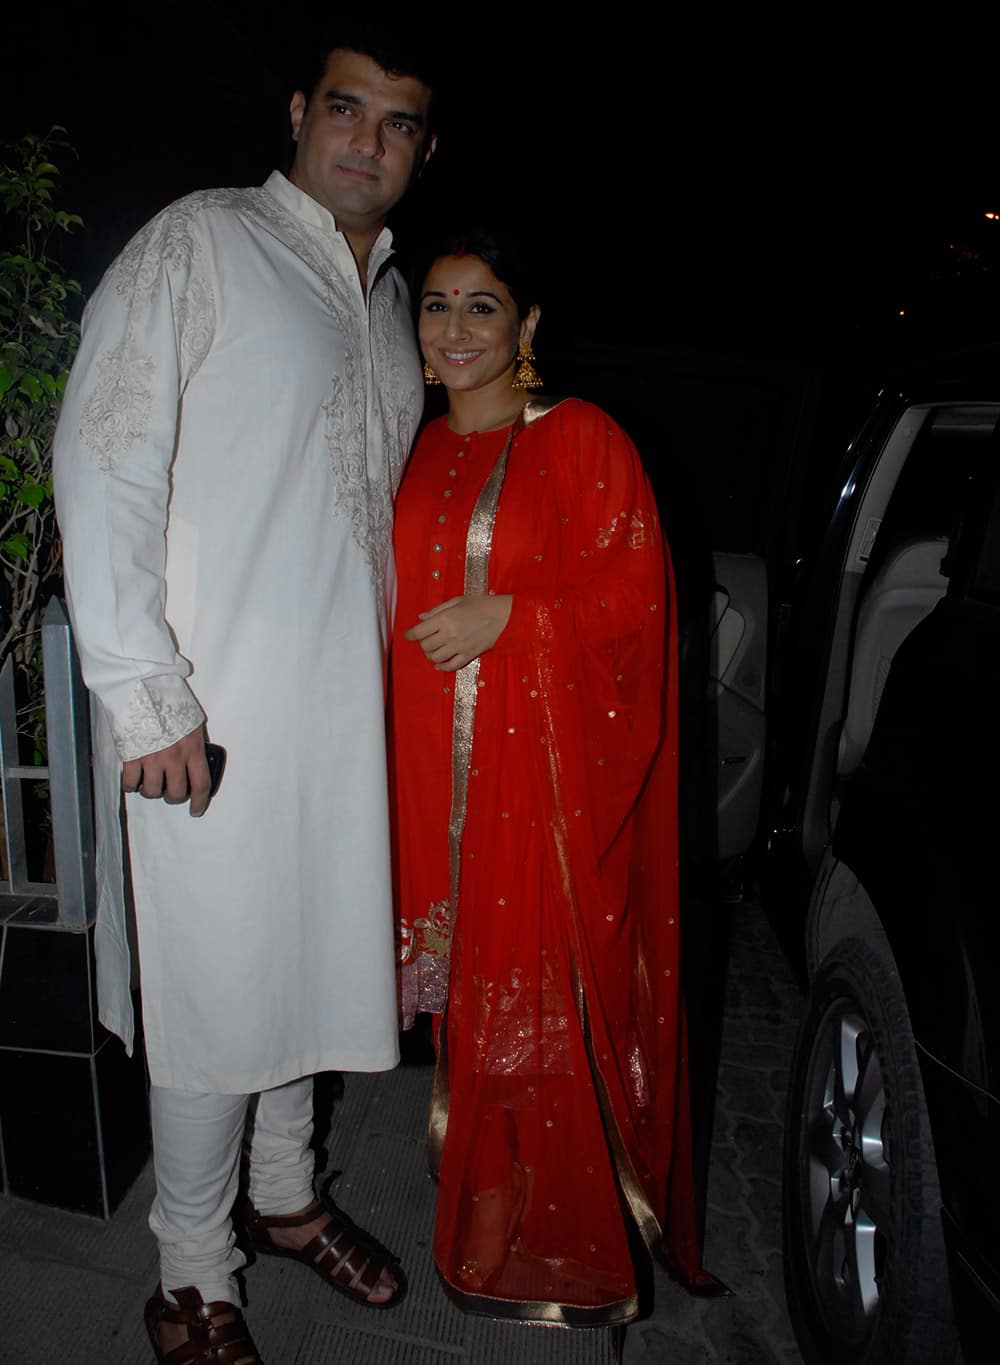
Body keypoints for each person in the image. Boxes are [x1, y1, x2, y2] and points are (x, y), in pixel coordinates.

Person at [53, 26, 436, 1364]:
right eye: (346, 108)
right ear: (297, 111)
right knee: (218, 1000)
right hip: (203, 713)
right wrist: (142, 690)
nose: (365, 142)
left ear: (420, 149)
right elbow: (105, 452)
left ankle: (285, 1198)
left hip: (340, 719)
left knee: (309, 969)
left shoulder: (389, 303)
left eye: (396, 124)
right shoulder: (203, 241)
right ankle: (191, 1276)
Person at [389, 229, 714, 1325]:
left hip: (537, 788)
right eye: (436, 306)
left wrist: (513, 619)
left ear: (526, 328)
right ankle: (482, 1194)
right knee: (461, 1009)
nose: (454, 329)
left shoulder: (580, 440)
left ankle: (541, 1235)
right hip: (429, 772)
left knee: (527, 1009)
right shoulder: (416, 451)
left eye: (483, 307)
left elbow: (637, 602)